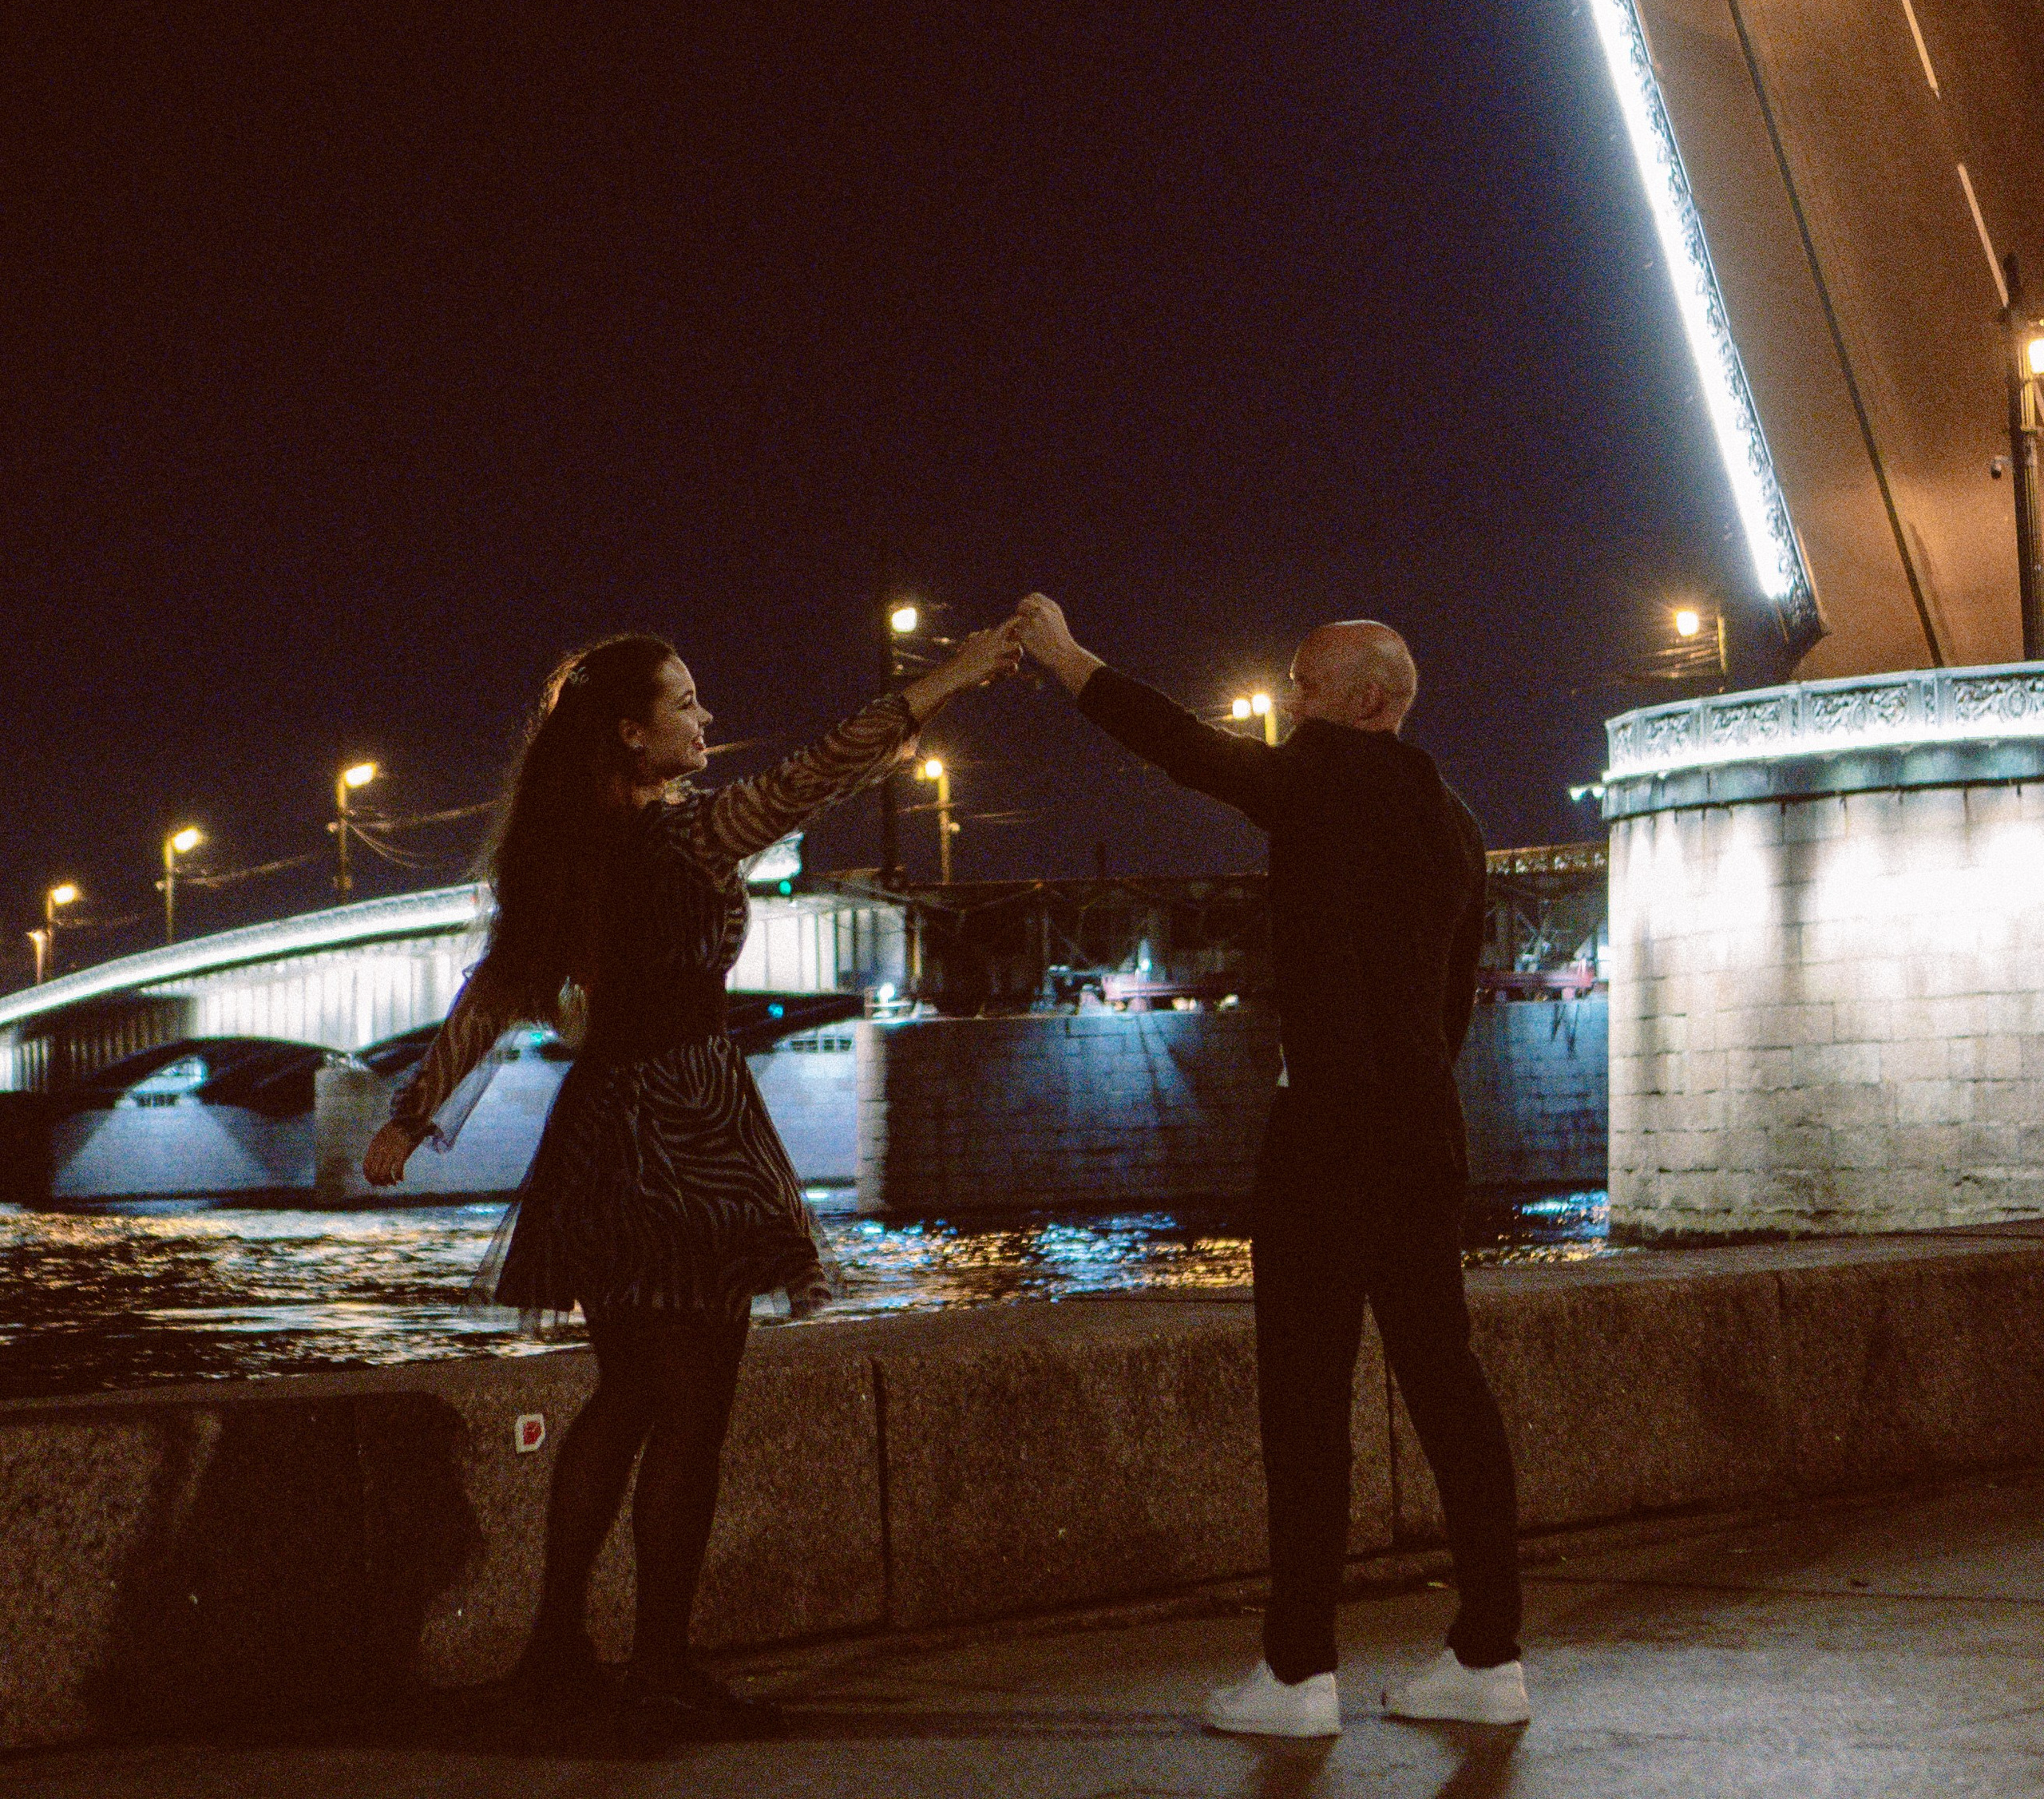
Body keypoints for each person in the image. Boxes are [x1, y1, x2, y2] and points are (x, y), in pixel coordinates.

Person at [361, 619, 1016, 1747]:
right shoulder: (687, 840)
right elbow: (820, 770)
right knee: (694, 1409)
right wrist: (951, 678)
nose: (705, 719)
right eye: (685, 703)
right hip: (690, 1134)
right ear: (631, 733)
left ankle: (556, 1656)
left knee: (625, 1395)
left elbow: (492, 992)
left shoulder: (565, 855)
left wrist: (412, 1115)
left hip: (601, 1136)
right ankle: (659, 1668)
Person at [1010, 592, 1526, 1737]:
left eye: (1304, 681)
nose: (1289, 699)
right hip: (1425, 1131)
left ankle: (1298, 1677)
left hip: (1328, 1134)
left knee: (1304, 1400)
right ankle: (1491, 1658)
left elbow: (1179, 745)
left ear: (1362, 699)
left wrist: (1066, 657)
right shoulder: (1457, 822)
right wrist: (1406, 1090)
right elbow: (1452, 1002)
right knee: (1449, 1388)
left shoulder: (1317, 781)